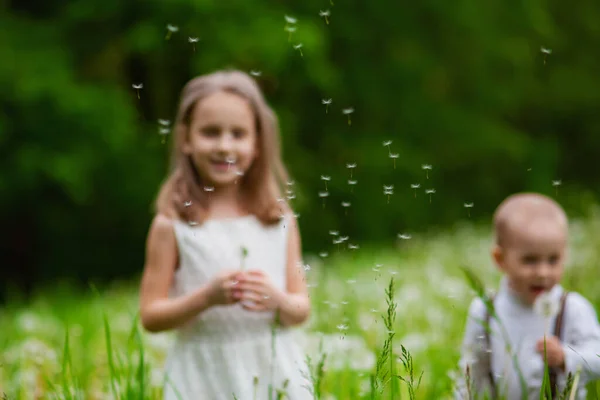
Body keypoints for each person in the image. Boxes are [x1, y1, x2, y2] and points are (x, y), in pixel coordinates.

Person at [139, 70, 313, 399]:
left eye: (238, 134)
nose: (224, 146)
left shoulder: (278, 220)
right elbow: (150, 316)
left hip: (274, 369)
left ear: (258, 143)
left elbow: (301, 308)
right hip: (203, 373)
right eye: (210, 132)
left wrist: (277, 301)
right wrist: (206, 298)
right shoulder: (172, 225)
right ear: (186, 139)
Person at [454, 193, 600, 399]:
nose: (543, 272)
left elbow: (597, 359)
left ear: (565, 255)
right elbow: (471, 373)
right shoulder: (485, 310)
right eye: (530, 260)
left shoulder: (573, 308)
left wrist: (566, 357)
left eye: (553, 260)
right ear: (500, 259)